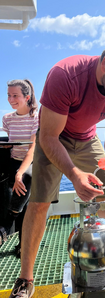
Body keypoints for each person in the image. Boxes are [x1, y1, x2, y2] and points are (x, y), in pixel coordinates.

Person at [9, 31, 105, 298]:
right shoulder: (65, 75)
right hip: (53, 137)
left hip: (87, 138)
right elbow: (49, 137)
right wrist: (74, 175)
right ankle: (25, 279)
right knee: (39, 203)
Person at [0, 79, 38, 258]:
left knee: (25, 179)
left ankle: (7, 225)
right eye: (8, 95)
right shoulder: (7, 119)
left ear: (27, 97)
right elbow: (12, 142)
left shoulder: (36, 116)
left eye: (15, 95)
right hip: (14, 160)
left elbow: (32, 149)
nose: (10, 99)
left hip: (32, 163)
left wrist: (19, 173)